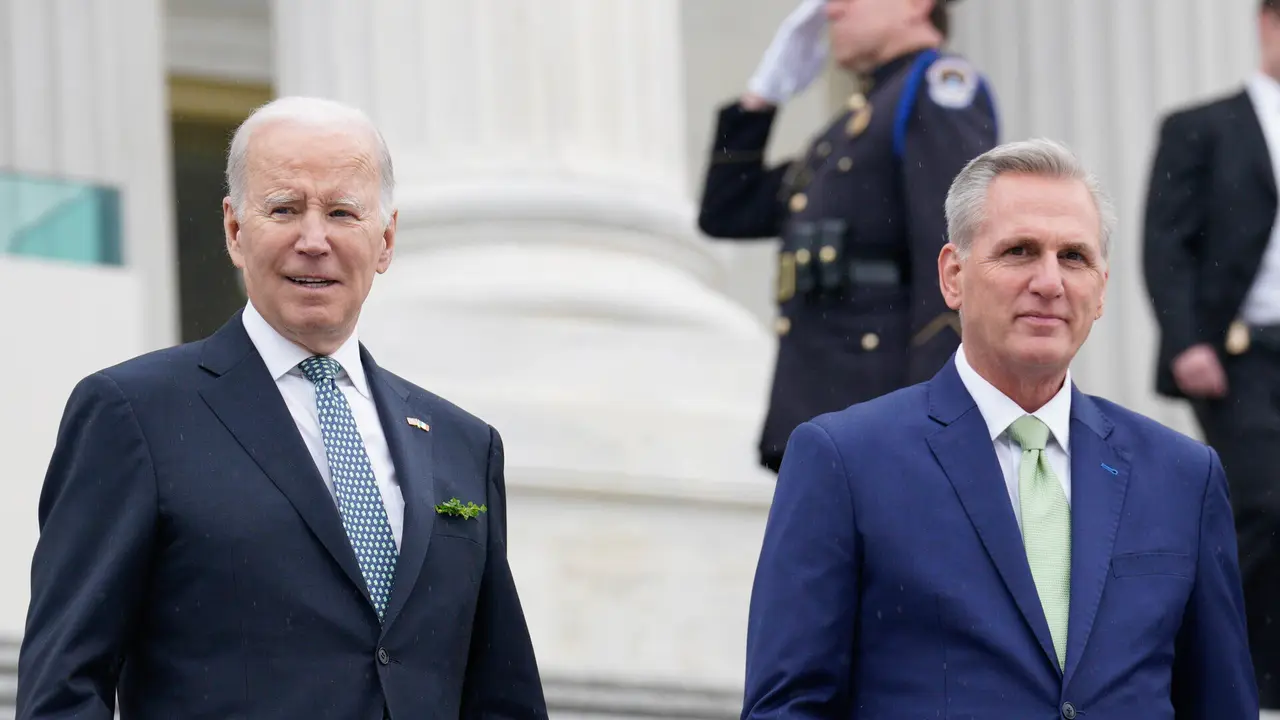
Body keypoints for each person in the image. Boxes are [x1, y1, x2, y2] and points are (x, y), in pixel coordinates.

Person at [16, 97, 548, 719]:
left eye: (343, 212)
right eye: (284, 209)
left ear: (386, 239)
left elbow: (502, 695)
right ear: (235, 231)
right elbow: (62, 686)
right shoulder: (133, 414)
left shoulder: (464, 443)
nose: (313, 240)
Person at [742, 138, 1257, 718]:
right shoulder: (845, 461)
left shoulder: (1184, 476)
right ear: (953, 275)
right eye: (1018, 251)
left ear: (1102, 289)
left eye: (1074, 257)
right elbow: (788, 706)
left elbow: (1220, 704)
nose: (1049, 282)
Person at [697, 0, 998, 473]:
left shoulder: (936, 90)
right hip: (825, 409)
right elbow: (728, 212)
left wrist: (935, 416)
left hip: (883, 411)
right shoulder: (856, 122)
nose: (832, 11)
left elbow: (955, 256)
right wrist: (761, 98)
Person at [1142, 1, 1280, 709]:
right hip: (1238, 355)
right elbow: (1165, 245)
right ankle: (1238, 679)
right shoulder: (1203, 127)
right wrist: (1185, 339)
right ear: (1266, 22)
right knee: (1263, 500)